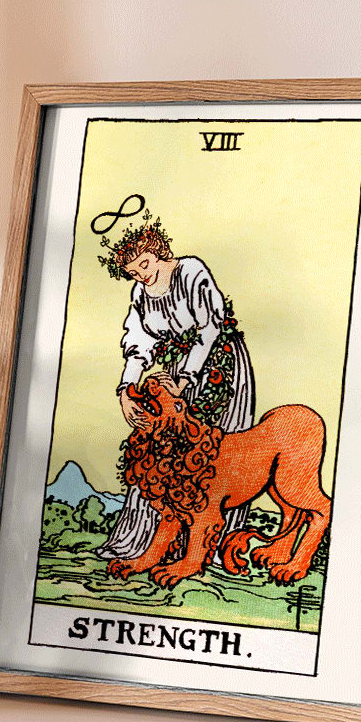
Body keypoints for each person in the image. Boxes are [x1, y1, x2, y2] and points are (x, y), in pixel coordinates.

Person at [94, 213, 256, 564]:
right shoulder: (141, 293)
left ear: (158, 251)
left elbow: (209, 329)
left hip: (219, 368)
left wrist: (185, 380)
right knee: (162, 454)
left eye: (144, 264)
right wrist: (126, 388)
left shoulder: (191, 272)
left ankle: (212, 546)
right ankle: (147, 542)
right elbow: (139, 342)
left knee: (213, 455)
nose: (142, 275)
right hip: (175, 374)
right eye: (134, 272)